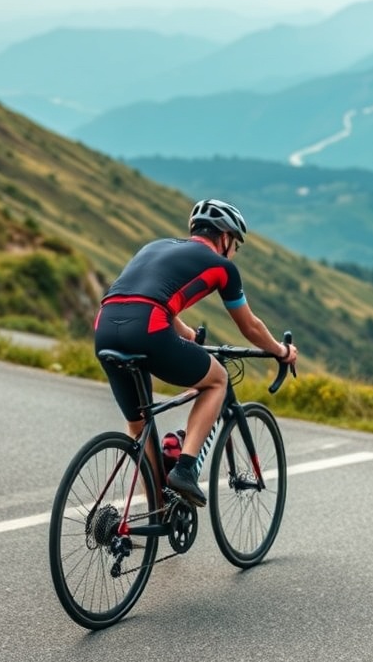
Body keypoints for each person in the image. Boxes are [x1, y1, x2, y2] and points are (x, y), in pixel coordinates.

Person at [93, 198, 298, 507]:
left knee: (139, 424)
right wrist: (281, 351)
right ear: (226, 237)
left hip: (105, 327)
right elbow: (251, 327)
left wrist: (188, 336)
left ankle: (156, 512)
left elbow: (149, 299)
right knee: (217, 379)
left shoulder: (154, 247)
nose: (234, 252)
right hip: (147, 328)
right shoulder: (222, 267)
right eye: (236, 245)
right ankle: (185, 469)